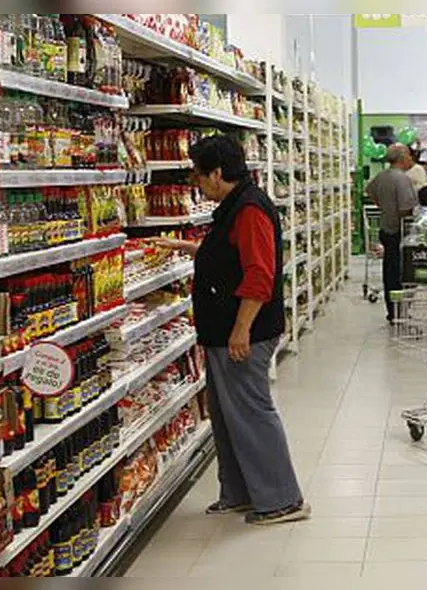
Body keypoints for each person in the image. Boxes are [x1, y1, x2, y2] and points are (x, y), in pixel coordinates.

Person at [154, 135, 308, 526]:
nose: (197, 183)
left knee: (252, 414)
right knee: (227, 417)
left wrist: (242, 328)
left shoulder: (251, 208)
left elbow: (259, 274)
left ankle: (282, 500)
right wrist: (186, 249)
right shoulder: (233, 206)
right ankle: (241, 493)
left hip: (245, 333)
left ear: (218, 173)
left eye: (200, 176)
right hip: (224, 330)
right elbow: (230, 256)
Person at [366, 143, 419, 323]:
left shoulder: (381, 176)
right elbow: (406, 208)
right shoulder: (402, 179)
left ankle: (392, 310)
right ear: (402, 158)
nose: (411, 158)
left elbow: (369, 191)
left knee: (389, 272)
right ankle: (400, 310)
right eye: (409, 155)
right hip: (400, 231)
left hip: (386, 228)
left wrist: (384, 206)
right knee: (402, 273)